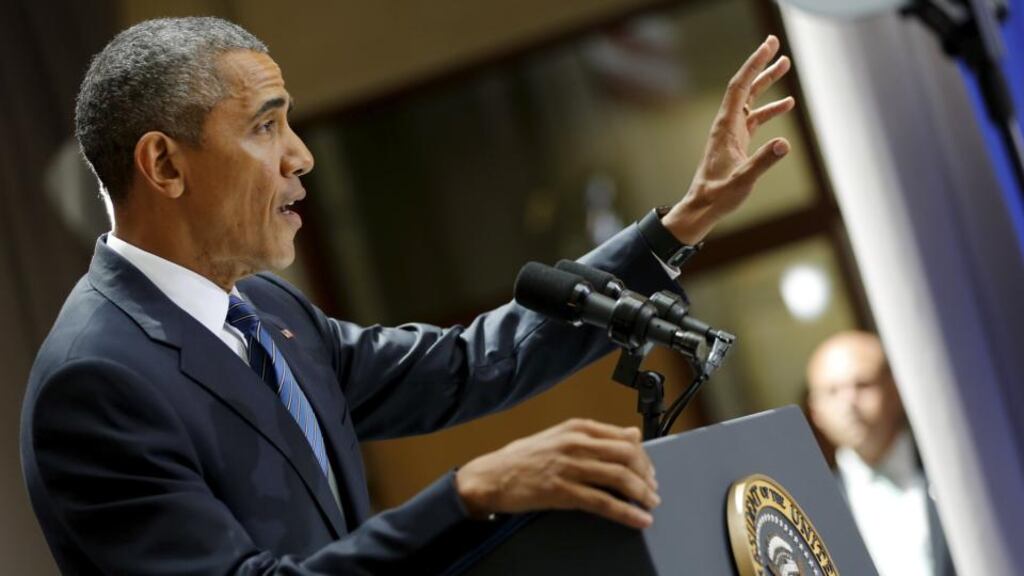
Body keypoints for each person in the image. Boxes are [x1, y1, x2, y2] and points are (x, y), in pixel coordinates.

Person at [20, 16, 795, 574]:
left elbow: (468, 364)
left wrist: (682, 223)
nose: (301, 156)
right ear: (165, 165)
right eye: (265, 127)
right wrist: (466, 493)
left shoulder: (269, 313)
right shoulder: (97, 381)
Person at [806, 331, 955, 576]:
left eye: (862, 384)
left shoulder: (952, 470)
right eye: (832, 391)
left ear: (895, 389)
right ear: (815, 412)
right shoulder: (815, 508)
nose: (848, 402)